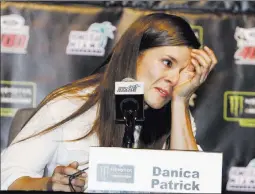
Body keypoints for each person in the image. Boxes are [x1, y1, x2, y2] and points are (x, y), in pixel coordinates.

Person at [1, 13, 217, 192]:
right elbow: (9, 179)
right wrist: (49, 185)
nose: (174, 78)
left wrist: (180, 101)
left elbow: (192, 185)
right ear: (135, 54)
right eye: (167, 62)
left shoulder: (177, 116)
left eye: (183, 71)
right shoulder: (69, 104)